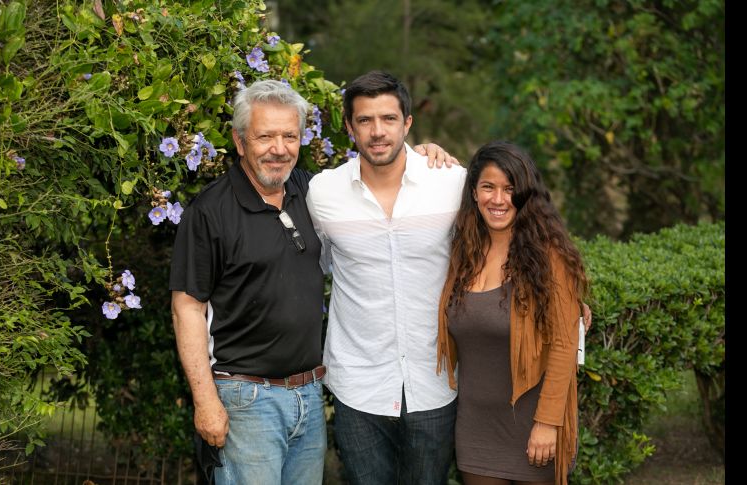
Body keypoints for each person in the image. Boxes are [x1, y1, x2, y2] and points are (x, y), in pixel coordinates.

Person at [169, 79, 454, 484]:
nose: (279, 148)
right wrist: (205, 401)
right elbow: (187, 308)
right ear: (238, 140)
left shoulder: (312, 191)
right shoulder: (210, 212)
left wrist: (426, 156)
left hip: (308, 394)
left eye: (290, 136)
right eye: (265, 136)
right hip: (246, 399)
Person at [306, 70, 468, 484]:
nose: (378, 132)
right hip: (358, 384)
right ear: (349, 128)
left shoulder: (451, 182)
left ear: (408, 123)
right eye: (365, 120)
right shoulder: (323, 193)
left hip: (436, 382)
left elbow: (505, 247)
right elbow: (313, 265)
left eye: (388, 119)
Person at [436, 141, 588, 485]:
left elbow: (565, 346)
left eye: (510, 189)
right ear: (473, 193)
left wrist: (548, 423)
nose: (499, 199)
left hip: (534, 426)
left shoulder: (550, 258)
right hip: (475, 426)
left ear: (525, 195)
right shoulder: (462, 255)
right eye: (488, 187)